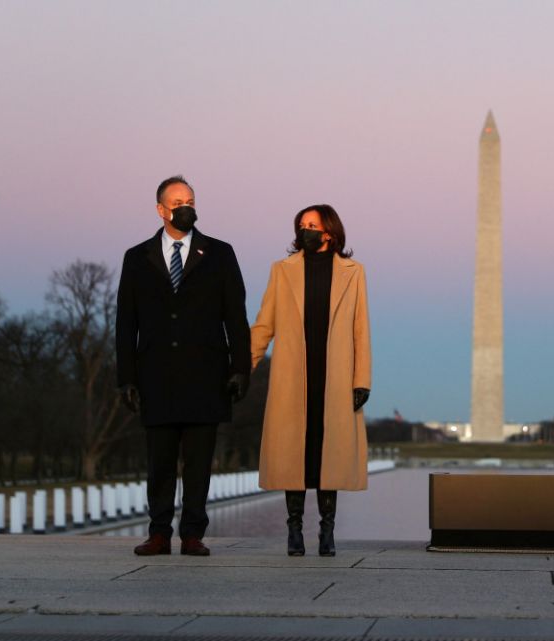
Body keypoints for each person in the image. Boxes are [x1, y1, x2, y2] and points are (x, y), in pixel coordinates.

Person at [116, 175, 251, 557]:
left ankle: (193, 533)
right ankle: (158, 532)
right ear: (161, 209)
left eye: (190, 199)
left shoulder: (220, 253)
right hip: (155, 375)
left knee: (198, 462)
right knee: (158, 462)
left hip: (205, 375)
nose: (185, 206)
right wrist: (125, 376)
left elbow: (235, 316)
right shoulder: (137, 257)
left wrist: (240, 367)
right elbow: (125, 322)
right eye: (177, 201)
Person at [251, 204, 371, 557]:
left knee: (327, 457)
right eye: (302, 225)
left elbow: (360, 329)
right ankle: (294, 530)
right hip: (293, 375)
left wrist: (361, 378)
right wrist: (243, 365)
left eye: (313, 225)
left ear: (330, 232)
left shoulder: (353, 272)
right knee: (295, 457)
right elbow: (264, 325)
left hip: (334, 376)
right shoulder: (282, 270)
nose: (306, 230)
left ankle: (327, 531)